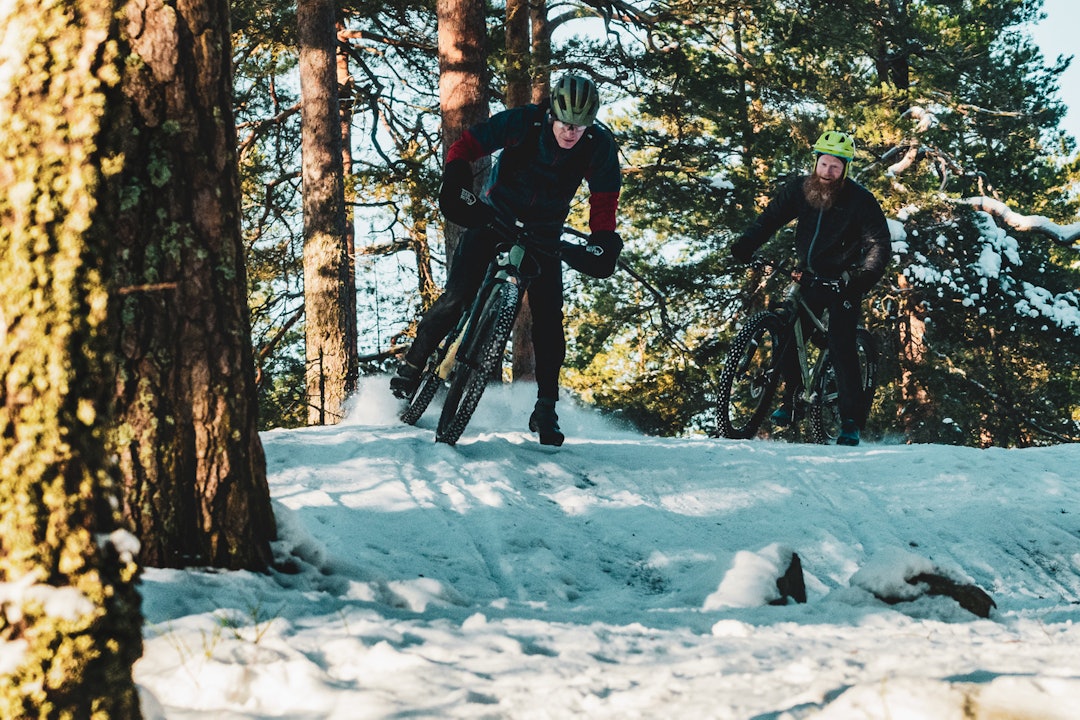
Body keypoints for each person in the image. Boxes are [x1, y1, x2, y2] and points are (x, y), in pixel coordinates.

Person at [390, 73, 624, 446]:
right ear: (552, 115)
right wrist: (456, 178)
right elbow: (466, 146)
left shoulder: (598, 146)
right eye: (565, 125)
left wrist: (602, 241)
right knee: (457, 298)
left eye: (580, 128)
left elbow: (604, 199)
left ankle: (546, 406)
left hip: (543, 234)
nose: (571, 134)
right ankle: (413, 363)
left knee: (549, 319)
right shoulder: (524, 122)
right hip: (495, 217)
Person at [730, 130, 890, 446]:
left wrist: (857, 279)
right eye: (824, 164)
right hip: (810, 277)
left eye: (835, 167)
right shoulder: (801, 190)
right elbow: (771, 218)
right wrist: (746, 243)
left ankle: (850, 422)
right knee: (789, 332)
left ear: (846, 168)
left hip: (844, 282)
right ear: (816, 162)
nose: (828, 172)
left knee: (841, 344)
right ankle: (789, 401)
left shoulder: (860, 200)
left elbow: (878, 246)